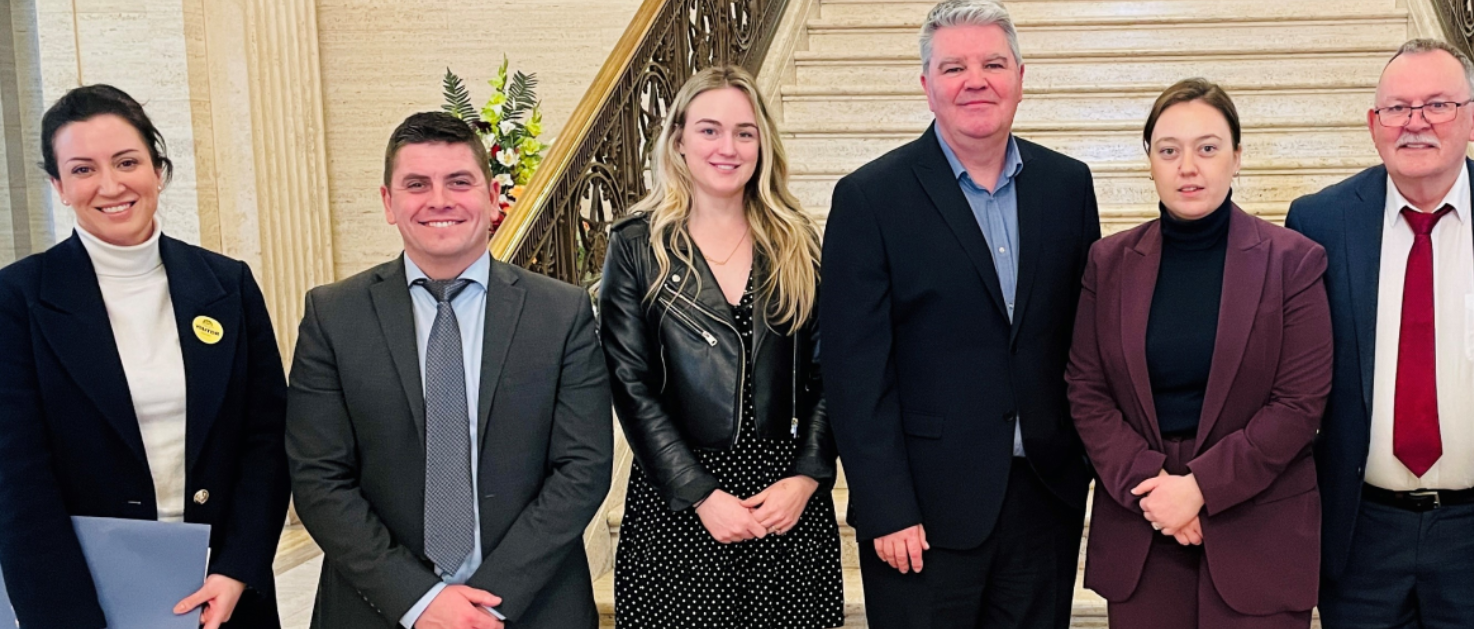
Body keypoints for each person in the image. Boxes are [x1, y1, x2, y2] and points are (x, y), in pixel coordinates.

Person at [819, 1, 1101, 626]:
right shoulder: (869, 198)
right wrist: (886, 504)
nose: (976, 80)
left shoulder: (1068, 185)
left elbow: (1085, 343)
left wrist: (1081, 466)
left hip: (1043, 503)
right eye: (954, 67)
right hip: (922, 516)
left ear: (1021, 78)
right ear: (927, 86)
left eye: (993, 63)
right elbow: (852, 369)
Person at [286, 112, 613, 629]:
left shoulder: (561, 313)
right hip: (377, 608)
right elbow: (318, 479)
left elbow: (583, 468)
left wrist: (488, 599)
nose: (439, 199)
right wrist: (420, 601)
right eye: (417, 184)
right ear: (389, 203)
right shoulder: (334, 315)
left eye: (459, 182)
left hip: (534, 608)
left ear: (490, 196)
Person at [0, 84, 291, 629]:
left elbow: (266, 441)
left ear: (158, 169)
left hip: (222, 594)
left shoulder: (227, 284)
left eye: (127, 161)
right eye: (83, 169)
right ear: (58, 185)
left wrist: (237, 569)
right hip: (85, 599)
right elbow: (17, 482)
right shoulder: (18, 298)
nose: (110, 185)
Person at [1064, 78, 1331, 629]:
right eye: (1169, 150)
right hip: (1145, 528)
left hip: (1257, 530)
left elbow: (1299, 404)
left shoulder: (1294, 262)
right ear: (1150, 161)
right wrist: (1156, 488)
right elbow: (1086, 391)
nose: (1188, 166)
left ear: (1237, 157)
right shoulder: (1108, 263)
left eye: (1207, 148)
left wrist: (1201, 488)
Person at [1285, 39, 1474, 629]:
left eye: (1437, 105)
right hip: (1362, 532)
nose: (1414, 123)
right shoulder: (1320, 221)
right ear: (1374, 125)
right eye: (1397, 108)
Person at [598, 65, 843, 628]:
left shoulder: (798, 242)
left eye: (745, 131)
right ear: (678, 139)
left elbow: (832, 373)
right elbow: (630, 386)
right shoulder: (636, 246)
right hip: (678, 498)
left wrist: (807, 477)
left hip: (786, 497)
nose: (727, 147)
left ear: (763, 144)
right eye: (709, 130)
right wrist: (701, 494)